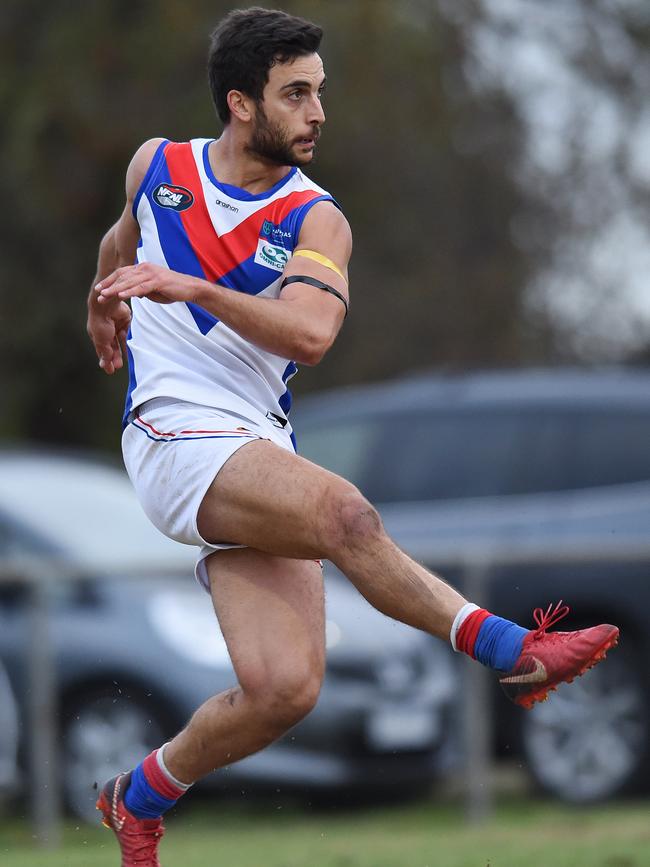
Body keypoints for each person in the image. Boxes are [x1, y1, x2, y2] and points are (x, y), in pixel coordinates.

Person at [86, 7, 618, 866]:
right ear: (241, 104)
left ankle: (138, 797)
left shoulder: (315, 218)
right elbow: (122, 240)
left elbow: (308, 336)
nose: (317, 111)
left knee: (284, 689)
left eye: (320, 93)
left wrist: (194, 287)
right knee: (348, 517)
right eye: (295, 93)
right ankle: (517, 648)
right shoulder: (158, 165)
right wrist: (101, 298)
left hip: (255, 439)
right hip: (169, 435)